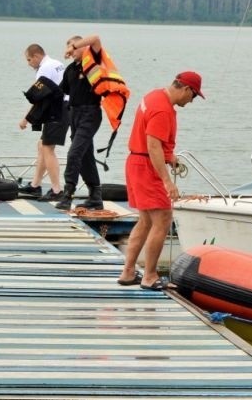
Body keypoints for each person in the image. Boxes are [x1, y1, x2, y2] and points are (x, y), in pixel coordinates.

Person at [116, 71, 204, 291]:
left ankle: (128, 272)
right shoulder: (163, 110)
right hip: (147, 167)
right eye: (192, 97)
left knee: (145, 220)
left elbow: (152, 142)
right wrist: (167, 181)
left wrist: (169, 157)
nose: (191, 102)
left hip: (135, 162)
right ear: (186, 89)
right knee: (163, 219)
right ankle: (150, 276)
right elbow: (153, 145)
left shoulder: (153, 96)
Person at [54, 35, 104, 210]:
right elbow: (59, 92)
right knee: (85, 155)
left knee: (74, 154)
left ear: (84, 48)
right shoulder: (70, 69)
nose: (71, 51)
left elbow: (96, 38)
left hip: (90, 113)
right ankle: (95, 196)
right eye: (69, 48)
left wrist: (75, 45)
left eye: (74, 48)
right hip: (74, 114)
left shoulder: (92, 61)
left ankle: (68, 194)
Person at [18, 43, 68, 201]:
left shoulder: (43, 69)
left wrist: (26, 119)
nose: (28, 64)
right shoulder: (57, 63)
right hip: (65, 106)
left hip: (58, 109)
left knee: (47, 148)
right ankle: (35, 186)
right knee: (42, 145)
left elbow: (39, 97)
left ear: (37, 56)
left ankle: (57, 190)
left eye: (29, 60)